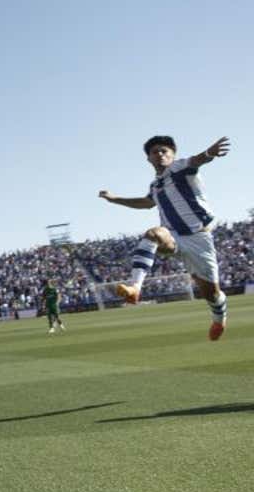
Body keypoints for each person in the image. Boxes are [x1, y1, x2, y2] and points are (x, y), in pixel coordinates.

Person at [99, 136, 231, 340]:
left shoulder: (179, 168)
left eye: (164, 151)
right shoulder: (155, 186)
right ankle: (135, 288)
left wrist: (208, 153)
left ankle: (219, 317)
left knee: (211, 294)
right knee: (153, 234)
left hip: (199, 238)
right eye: (155, 152)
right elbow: (145, 202)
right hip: (173, 237)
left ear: (173, 155)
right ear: (148, 159)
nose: (160, 154)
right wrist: (114, 199)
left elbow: (196, 161)